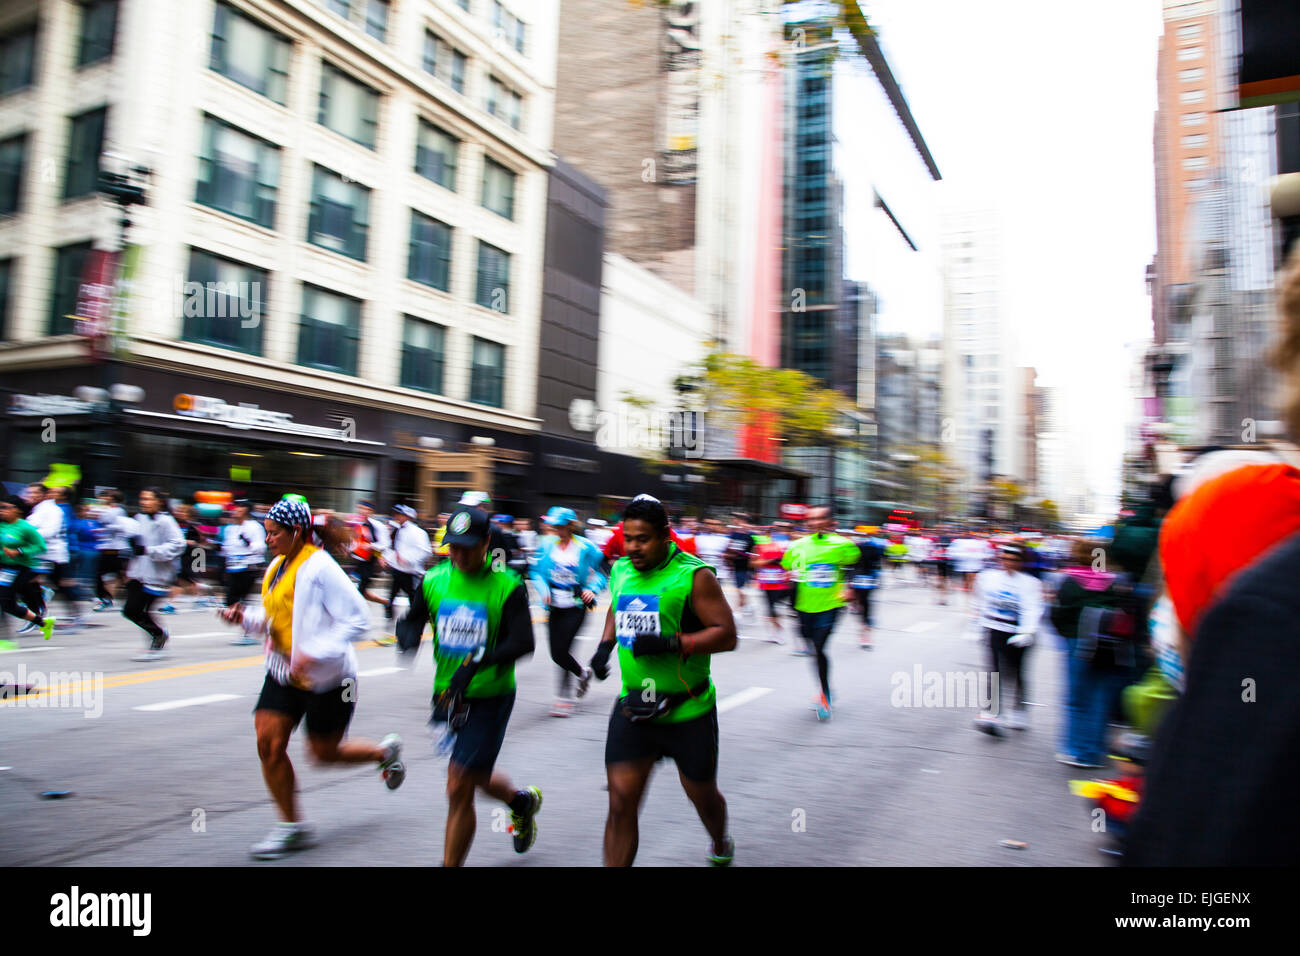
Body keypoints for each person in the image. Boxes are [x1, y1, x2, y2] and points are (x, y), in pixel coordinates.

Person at [219, 496, 405, 860]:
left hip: (330, 680)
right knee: (268, 744)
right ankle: (292, 826)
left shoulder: (321, 567)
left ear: (297, 532)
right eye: (267, 532)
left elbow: (358, 619)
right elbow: (278, 616)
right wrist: (245, 619)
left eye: (274, 533)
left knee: (324, 753)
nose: (268, 538)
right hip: (284, 673)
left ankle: (384, 752)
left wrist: (313, 651)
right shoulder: (276, 566)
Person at [587, 495, 738, 866]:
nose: (634, 547)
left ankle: (720, 842)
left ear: (665, 536)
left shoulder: (694, 575)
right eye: (629, 538)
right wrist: (605, 646)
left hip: (688, 712)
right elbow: (617, 605)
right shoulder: (622, 569)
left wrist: (674, 642)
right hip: (635, 708)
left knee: (702, 796)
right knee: (621, 802)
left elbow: (727, 634)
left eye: (643, 539)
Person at [396, 506, 541, 866]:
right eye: (453, 548)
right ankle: (519, 801)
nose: (458, 555)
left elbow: (523, 643)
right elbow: (411, 621)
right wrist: (408, 637)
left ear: (487, 543)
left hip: (490, 697)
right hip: (447, 696)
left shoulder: (507, 584)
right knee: (472, 775)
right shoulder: (433, 581)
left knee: (458, 784)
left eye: (467, 547)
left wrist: (478, 660)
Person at [780, 506, 860, 719]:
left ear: (830, 521)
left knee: (819, 646)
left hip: (831, 604)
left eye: (819, 518)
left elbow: (855, 566)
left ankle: (824, 694)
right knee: (811, 646)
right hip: (803, 605)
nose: (814, 522)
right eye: (811, 519)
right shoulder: (797, 545)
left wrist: (848, 585)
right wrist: (789, 576)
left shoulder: (844, 545)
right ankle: (826, 690)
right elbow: (789, 567)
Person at [530, 506, 607, 716]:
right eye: (554, 525)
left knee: (564, 649)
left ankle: (564, 698)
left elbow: (601, 574)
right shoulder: (546, 546)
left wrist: (592, 589)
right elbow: (535, 572)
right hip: (553, 606)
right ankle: (582, 673)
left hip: (576, 605)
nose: (557, 529)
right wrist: (543, 589)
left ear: (570, 525)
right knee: (556, 653)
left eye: (561, 526)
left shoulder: (586, 547)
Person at [971, 544, 1043, 736]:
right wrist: (977, 625)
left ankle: (1019, 709)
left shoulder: (1030, 583)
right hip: (995, 629)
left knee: (1017, 671)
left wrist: (1028, 632)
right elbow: (979, 601)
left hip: (1018, 632)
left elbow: (1032, 608)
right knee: (993, 671)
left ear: (1020, 562)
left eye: (1013, 560)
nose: (1008, 563)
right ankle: (991, 713)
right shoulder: (988, 578)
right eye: (1005, 559)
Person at [108, 489, 186, 662]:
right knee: (131, 610)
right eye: (142, 498)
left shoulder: (166, 521)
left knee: (137, 609)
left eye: (148, 499)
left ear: (158, 501)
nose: (143, 502)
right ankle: (157, 636)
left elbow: (178, 545)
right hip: (137, 572)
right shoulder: (139, 519)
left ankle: (158, 637)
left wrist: (149, 551)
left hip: (157, 575)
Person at [25, 484, 84, 630]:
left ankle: (73, 616)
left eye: (34, 493)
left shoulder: (52, 510)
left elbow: (49, 531)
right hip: (42, 554)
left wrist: (26, 535)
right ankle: (39, 614)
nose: (30, 495)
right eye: (29, 492)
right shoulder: (39, 509)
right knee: (31, 582)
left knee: (59, 585)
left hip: (52, 555)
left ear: (45, 495)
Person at [0, 495, 56, 646]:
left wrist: (19, 551)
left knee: (3, 601)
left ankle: (5, 640)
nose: (1, 511)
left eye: (5, 507)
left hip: (20, 568)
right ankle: (43, 623)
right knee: (8, 605)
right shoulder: (1, 525)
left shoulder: (25, 527)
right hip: (3, 567)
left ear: (17, 510)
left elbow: (40, 546)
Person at [382, 504, 432, 648]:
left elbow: (425, 551)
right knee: (390, 601)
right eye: (395, 514)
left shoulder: (417, 532)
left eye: (399, 514)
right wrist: (388, 558)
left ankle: (418, 629)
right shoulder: (396, 530)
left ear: (408, 516)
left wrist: (408, 560)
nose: (396, 517)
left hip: (411, 574)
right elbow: (392, 548)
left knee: (416, 604)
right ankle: (389, 633)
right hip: (397, 571)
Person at [221, 499, 267, 644]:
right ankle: (253, 625)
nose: (235, 511)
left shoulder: (254, 527)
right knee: (232, 601)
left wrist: (248, 543)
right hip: (233, 567)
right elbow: (227, 547)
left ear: (246, 510)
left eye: (239, 508)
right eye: (235, 508)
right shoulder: (232, 528)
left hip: (249, 567)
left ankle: (250, 630)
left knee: (237, 600)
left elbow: (261, 547)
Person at [91, 489, 129, 610]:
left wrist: (104, 529)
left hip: (114, 548)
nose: (102, 499)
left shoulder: (118, 510)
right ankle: (106, 597)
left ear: (112, 498)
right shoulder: (106, 509)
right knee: (114, 574)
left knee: (108, 573)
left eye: (106, 496)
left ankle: (105, 598)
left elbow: (121, 526)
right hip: (106, 546)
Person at [752, 528, 791, 644]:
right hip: (766, 583)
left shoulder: (785, 547)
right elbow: (754, 563)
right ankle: (775, 632)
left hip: (781, 583)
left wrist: (782, 563)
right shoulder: (760, 547)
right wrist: (770, 561)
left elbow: (790, 563)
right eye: (768, 534)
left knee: (774, 608)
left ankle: (777, 631)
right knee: (770, 609)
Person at [849, 530, 884, 650]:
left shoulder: (869, 546)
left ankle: (865, 631)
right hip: (862, 579)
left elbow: (877, 564)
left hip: (864, 579)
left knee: (864, 604)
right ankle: (865, 629)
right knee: (863, 604)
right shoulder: (873, 546)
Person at [724, 514, 757, 624]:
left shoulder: (751, 535)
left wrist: (750, 559)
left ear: (742, 521)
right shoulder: (734, 534)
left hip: (746, 567)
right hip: (736, 566)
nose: (734, 521)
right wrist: (729, 558)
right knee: (741, 590)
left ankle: (737, 612)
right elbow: (729, 548)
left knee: (740, 590)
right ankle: (747, 606)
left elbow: (755, 551)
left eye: (736, 519)